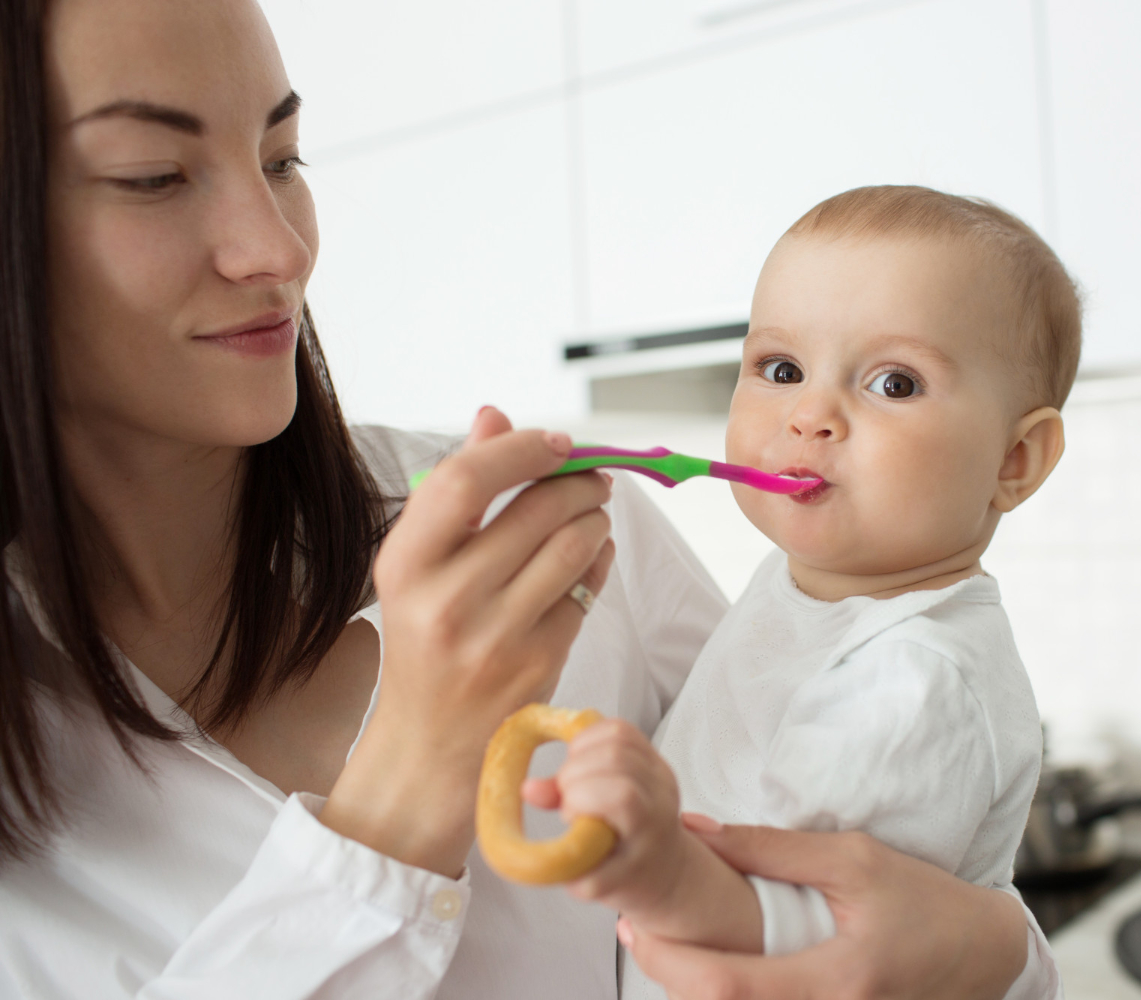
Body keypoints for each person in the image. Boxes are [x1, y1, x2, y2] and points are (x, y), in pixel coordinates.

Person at [0, 0, 1054, 996]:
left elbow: (841, 884)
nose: (279, 249)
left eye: (283, 158)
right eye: (152, 175)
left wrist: (999, 954)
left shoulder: (570, 536)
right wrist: (411, 774)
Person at [526, 187, 1075, 1000]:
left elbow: (809, 920)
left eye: (894, 384)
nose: (811, 413)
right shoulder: (806, 590)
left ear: (1013, 462)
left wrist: (648, 858)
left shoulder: (912, 676)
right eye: (781, 369)